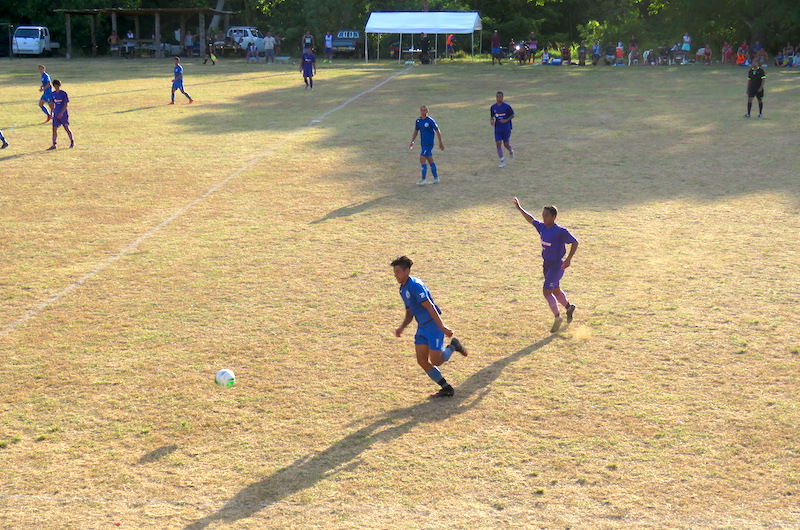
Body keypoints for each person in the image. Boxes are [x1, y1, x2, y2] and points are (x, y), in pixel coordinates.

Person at [391, 255, 468, 398]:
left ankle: (453, 346)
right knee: (421, 360)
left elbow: (431, 307)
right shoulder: (402, 289)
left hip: (433, 326)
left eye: (398, 271)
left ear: (407, 271)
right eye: (394, 272)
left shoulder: (415, 285)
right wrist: (402, 327)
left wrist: (443, 327)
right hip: (422, 327)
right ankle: (446, 388)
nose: (396, 275)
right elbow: (409, 313)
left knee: (436, 360)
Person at [512, 198, 578, 333]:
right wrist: (519, 208)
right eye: (543, 215)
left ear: (554, 217)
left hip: (557, 265)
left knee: (546, 291)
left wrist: (569, 259)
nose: (544, 218)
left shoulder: (560, 231)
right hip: (547, 265)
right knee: (555, 290)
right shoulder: (542, 227)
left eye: (547, 215)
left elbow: (575, 242)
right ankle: (569, 308)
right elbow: (531, 219)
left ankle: (558, 318)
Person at [408, 105, 444, 186]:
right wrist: (412, 141)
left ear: (427, 111)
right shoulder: (418, 121)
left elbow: (437, 131)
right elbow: (416, 131)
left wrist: (440, 142)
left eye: (424, 110)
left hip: (429, 144)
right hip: (423, 144)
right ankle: (436, 178)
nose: (423, 112)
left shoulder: (430, 121)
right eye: (421, 110)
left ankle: (423, 179)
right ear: (420, 111)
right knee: (430, 160)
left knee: (422, 159)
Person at [46, 79, 74, 150]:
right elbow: (52, 104)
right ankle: (54, 144)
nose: (56, 87)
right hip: (56, 114)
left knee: (66, 128)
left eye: (58, 86)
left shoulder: (63, 93)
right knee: (54, 129)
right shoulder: (53, 94)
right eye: (55, 86)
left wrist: (61, 113)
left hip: (63, 114)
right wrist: (51, 113)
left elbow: (65, 104)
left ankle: (72, 141)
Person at [490, 91, 514, 168]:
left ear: (502, 97)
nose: (498, 98)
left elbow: (512, 115)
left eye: (500, 97)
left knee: (506, 144)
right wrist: (492, 120)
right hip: (498, 128)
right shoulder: (493, 107)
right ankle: (502, 161)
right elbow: (492, 116)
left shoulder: (507, 107)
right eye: (497, 97)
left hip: (506, 128)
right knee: (498, 144)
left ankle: (510, 150)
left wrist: (506, 120)